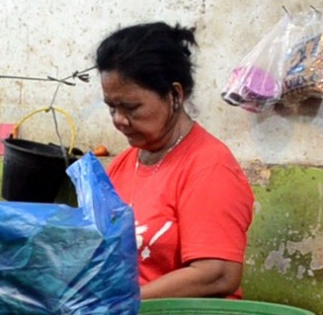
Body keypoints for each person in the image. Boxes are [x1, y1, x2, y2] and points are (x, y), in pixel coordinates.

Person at [96, 22, 255, 299]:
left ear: (175, 95)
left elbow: (217, 273)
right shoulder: (123, 165)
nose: (119, 120)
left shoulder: (209, 167)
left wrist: (121, 304)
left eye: (131, 107)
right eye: (112, 107)